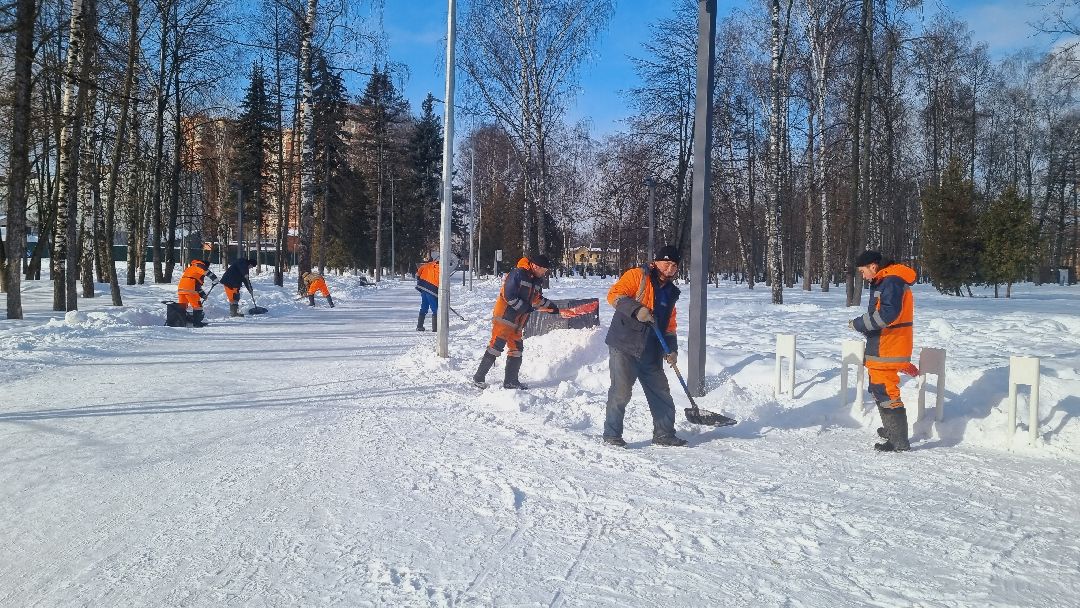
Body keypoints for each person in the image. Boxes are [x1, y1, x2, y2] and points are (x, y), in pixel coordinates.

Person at [602, 245, 687, 448]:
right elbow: (614, 295)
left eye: (674, 265)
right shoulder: (637, 276)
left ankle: (664, 434)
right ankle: (612, 435)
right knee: (621, 391)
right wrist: (636, 309)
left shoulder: (671, 292)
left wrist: (671, 349)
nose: (670, 268)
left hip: (651, 350)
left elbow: (670, 325)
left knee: (661, 392)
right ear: (656, 262)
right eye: (667, 263)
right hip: (625, 345)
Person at [849, 250, 917, 452]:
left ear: (873, 266)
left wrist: (860, 323)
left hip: (888, 346)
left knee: (886, 391)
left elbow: (888, 314)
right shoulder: (885, 280)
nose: (863, 276)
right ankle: (892, 430)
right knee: (880, 389)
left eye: (863, 271)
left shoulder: (891, 281)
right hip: (884, 344)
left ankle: (898, 440)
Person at [472, 254, 559, 390]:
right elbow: (509, 295)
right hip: (504, 317)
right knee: (496, 347)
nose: (545, 272)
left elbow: (536, 298)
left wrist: (550, 306)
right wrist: (525, 308)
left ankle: (511, 381)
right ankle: (479, 377)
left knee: (517, 349)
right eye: (544, 269)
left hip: (518, 321)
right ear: (535, 266)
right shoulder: (518, 273)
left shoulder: (535, 280)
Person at [177, 257, 217, 328]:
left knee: (182, 306)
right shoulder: (199, 265)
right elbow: (206, 272)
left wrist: (203, 295)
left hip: (181, 287)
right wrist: (214, 279)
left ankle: (180, 322)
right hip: (190, 288)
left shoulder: (192, 268)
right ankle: (197, 323)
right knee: (197, 306)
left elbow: (196, 285)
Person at [415, 255, 440, 332]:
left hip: (423, 287)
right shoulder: (440, 268)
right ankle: (435, 328)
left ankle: (419, 326)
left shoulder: (426, 265)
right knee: (435, 308)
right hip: (432, 289)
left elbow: (417, 274)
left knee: (424, 307)